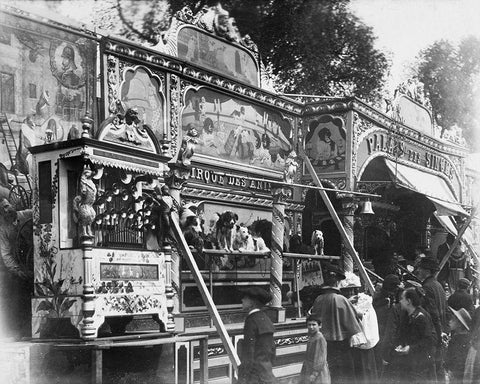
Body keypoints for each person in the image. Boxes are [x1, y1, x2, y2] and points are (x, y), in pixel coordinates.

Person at [310, 264, 365, 384]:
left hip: (323, 344)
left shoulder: (318, 299)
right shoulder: (341, 300)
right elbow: (354, 324)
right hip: (341, 346)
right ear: (337, 282)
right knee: (344, 376)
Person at [0, 198, 33, 338]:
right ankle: (24, 331)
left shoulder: (27, 215)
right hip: (22, 266)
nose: (6, 210)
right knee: (20, 296)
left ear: (12, 205)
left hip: (37, 260)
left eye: (7, 206)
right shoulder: (3, 230)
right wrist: (18, 271)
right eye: (2, 210)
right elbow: (6, 254)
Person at [395, 287, 437, 383]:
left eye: (402, 298)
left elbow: (429, 341)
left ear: (408, 301)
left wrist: (411, 348)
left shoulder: (421, 317)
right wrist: (401, 344)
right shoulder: (407, 314)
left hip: (419, 365)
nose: (400, 301)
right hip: (410, 363)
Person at [416, 256, 448, 381]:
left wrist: (439, 333)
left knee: (429, 370)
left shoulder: (427, 287)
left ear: (427, 271)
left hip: (433, 333)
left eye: (421, 268)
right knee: (438, 368)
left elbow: (432, 313)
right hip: (439, 330)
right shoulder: (438, 285)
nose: (418, 271)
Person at [237, 287, 276, 384]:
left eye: (245, 298)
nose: (242, 300)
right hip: (267, 373)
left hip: (254, 377)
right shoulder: (266, 319)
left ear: (252, 303)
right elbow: (272, 350)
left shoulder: (251, 320)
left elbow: (248, 353)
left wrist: (243, 378)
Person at [299, 315, 331, 384]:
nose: (311, 327)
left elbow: (320, 358)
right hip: (309, 367)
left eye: (314, 325)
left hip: (317, 371)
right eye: (309, 325)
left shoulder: (319, 338)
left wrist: (314, 374)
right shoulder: (312, 336)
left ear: (320, 326)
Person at [445, 307, 471, 384]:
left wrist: (450, 369)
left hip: (456, 376)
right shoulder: (467, 338)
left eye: (453, 320)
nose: (449, 321)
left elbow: (454, 359)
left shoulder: (456, 340)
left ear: (459, 324)